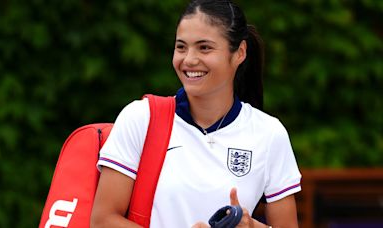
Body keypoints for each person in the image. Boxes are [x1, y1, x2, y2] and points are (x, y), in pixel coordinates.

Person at [90, 0, 302, 227]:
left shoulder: (269, 133)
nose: (189, 59)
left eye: (204, 47)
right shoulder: (141, 118)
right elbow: (103, 220)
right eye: (181, 47)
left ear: (239, 53)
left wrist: (252, 226)